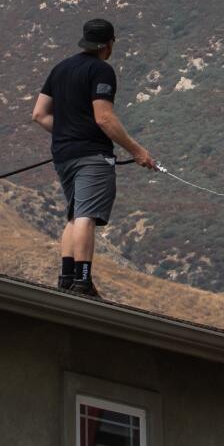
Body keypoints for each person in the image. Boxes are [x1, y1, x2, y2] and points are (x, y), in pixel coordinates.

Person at [32, 18, 157, 298]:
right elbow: (104, 117)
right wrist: (137, 151)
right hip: (92, 155)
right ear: (109, 44)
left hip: (63, 155)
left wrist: (67, 131)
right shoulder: (101, 70)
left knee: (75, 215)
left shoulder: (60, 68)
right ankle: (83, 281)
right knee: (86, 215)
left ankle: (66, 278)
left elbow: (39, 114)